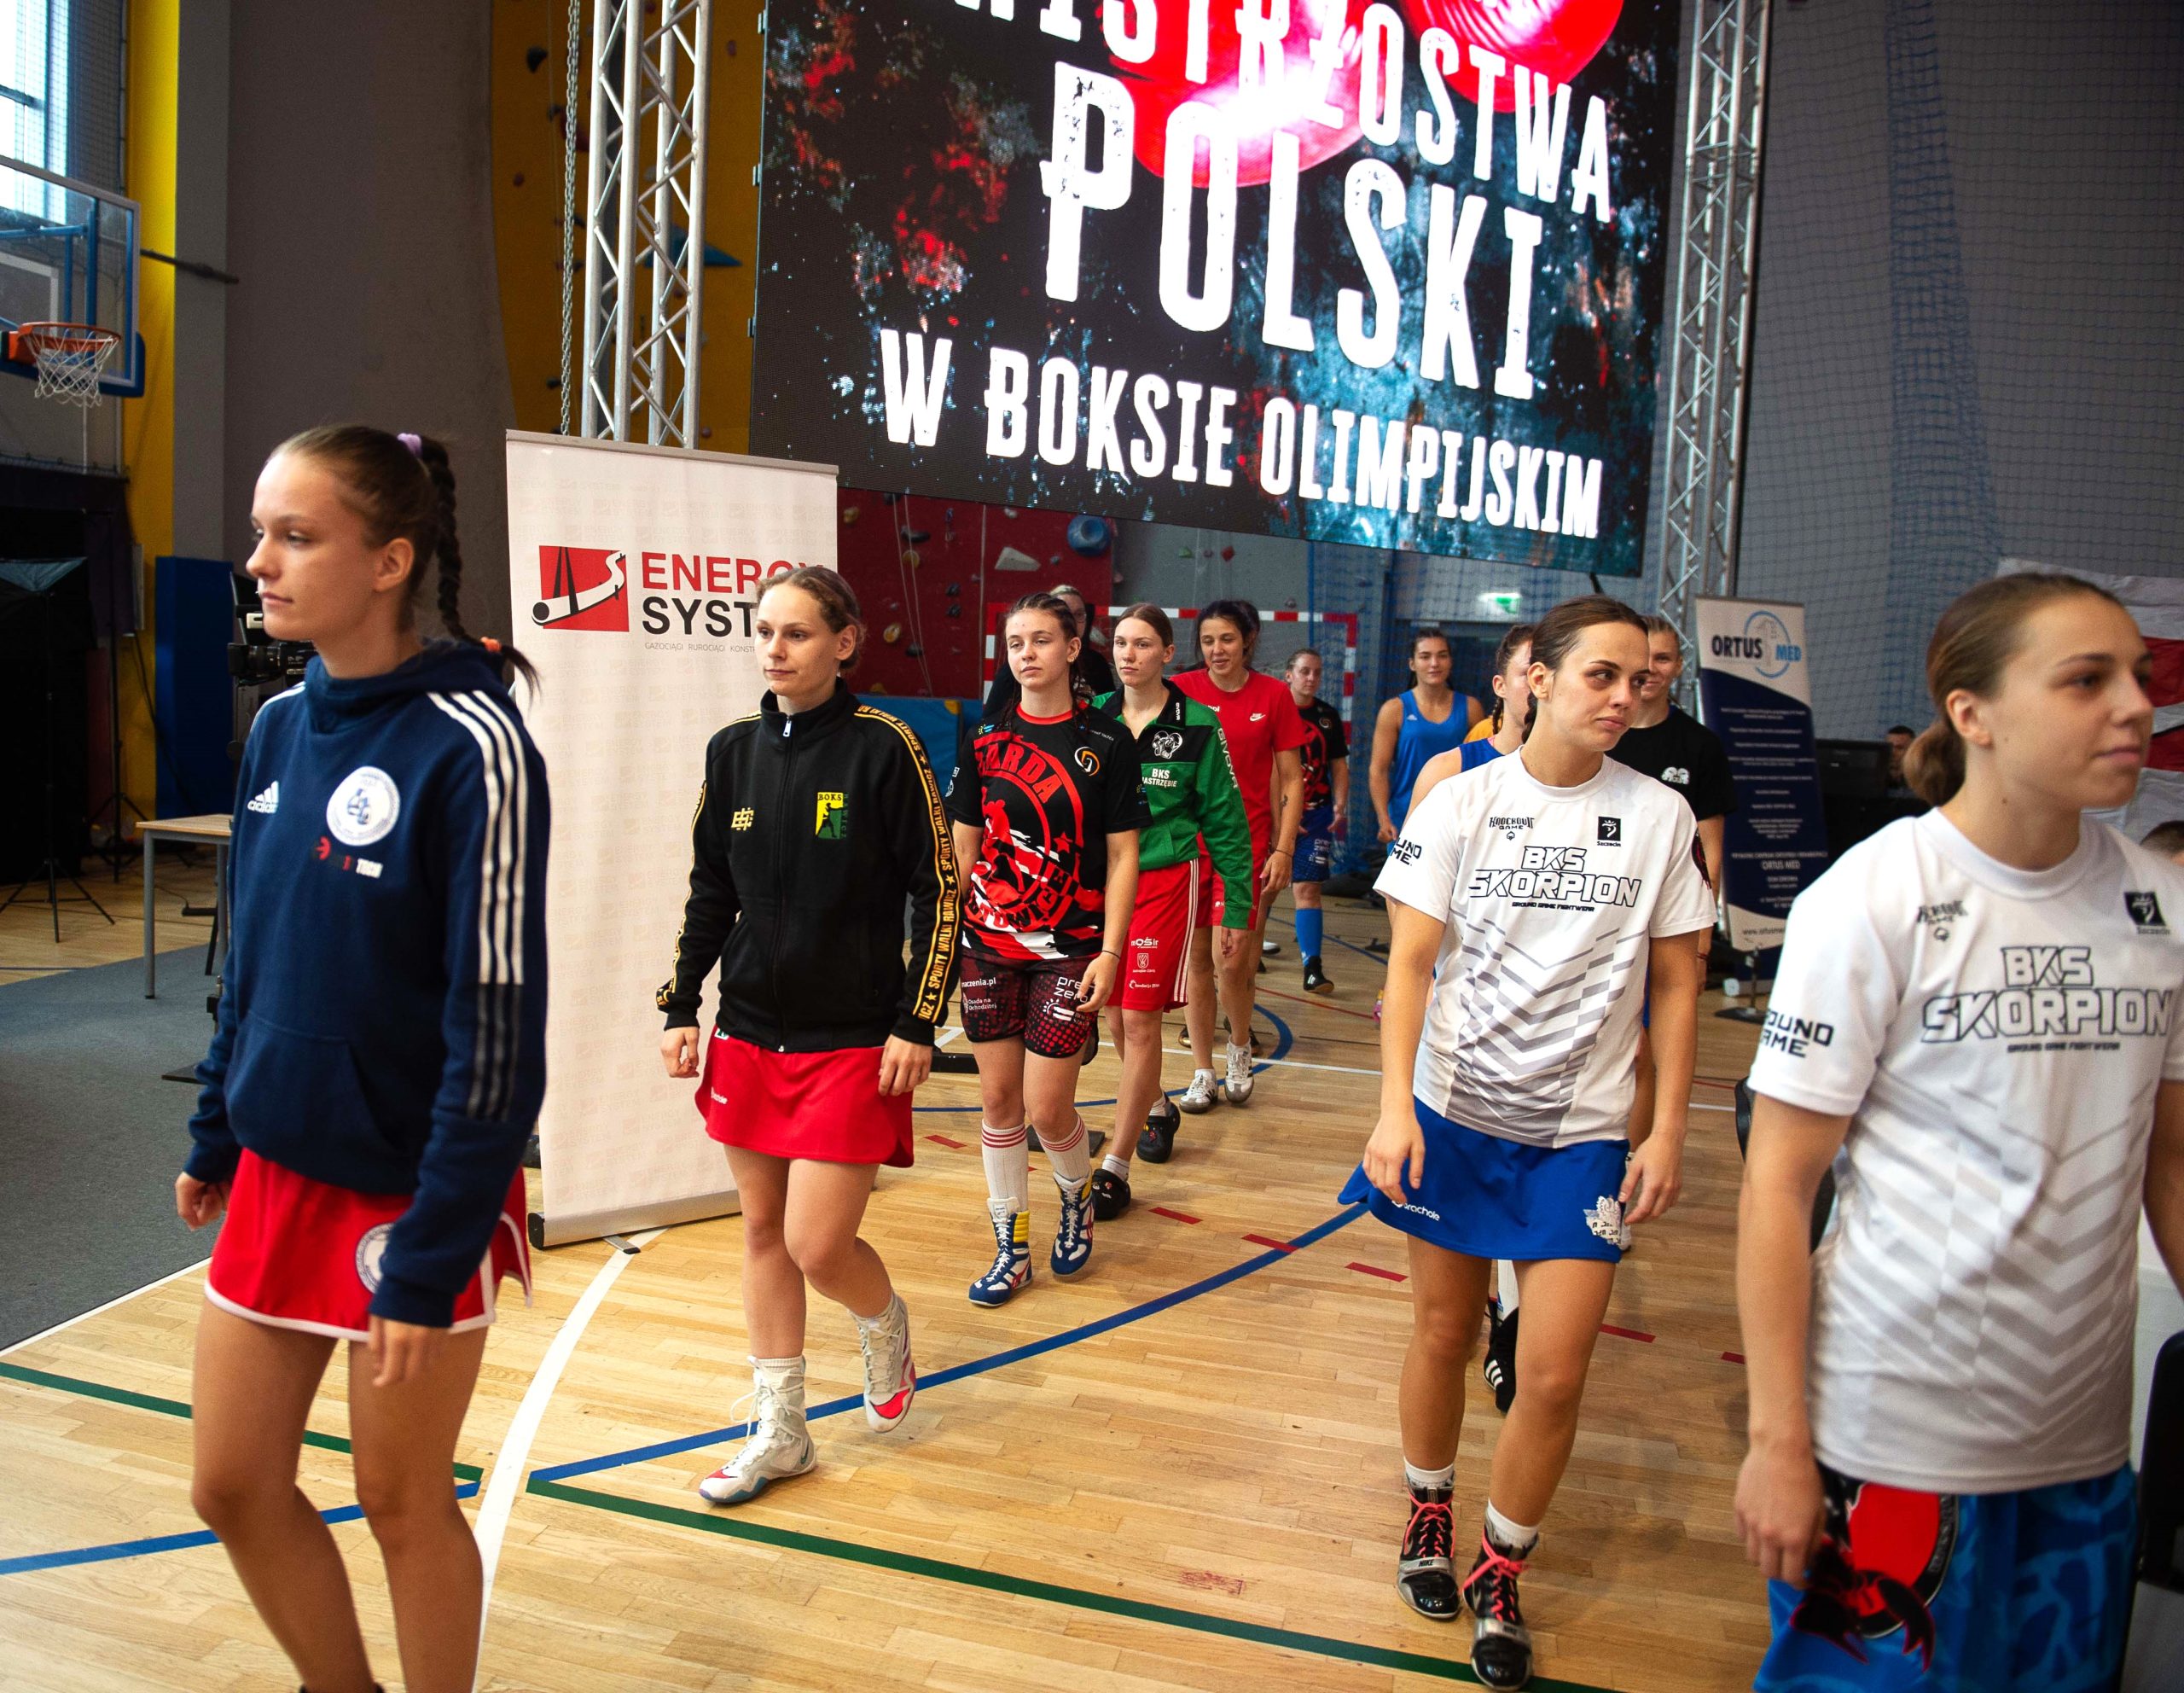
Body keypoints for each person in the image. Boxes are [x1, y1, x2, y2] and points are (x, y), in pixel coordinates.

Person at [1735, 572, 2184, 1693]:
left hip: (2082, 1449)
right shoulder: (1872, 898)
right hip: (1893, 1442)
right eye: (2086, 680)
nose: (2136, 706)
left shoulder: (2162, 907)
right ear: (1972, 713)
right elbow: (1779, 1186)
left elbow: (2171, 1163)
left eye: (2139, 677)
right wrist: (1777, 1440)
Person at [177, 426, 549, 1693]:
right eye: (261, 534)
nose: (260, 564)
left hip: (416, 1191)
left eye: (296, 537)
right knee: (230, 1482)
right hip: (281, 1163)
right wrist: (218, 1126)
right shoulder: (280, 724)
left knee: (399, 1498)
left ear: (389, 561)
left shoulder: (475, 744)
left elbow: (499, 1028)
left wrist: (437, 1247)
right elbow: (258, 953)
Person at [1344, 595, 1713, 1690]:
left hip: (1581, 1135)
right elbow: (1411, 964)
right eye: (1601, 675)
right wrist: (1394, 1108)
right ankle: (1427, 1506)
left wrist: (1667, 1127)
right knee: (1443, 1330)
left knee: (1550, 1374)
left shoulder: (1657, 815)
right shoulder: (1462, 801)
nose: (1624, 696)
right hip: (1452, 1114)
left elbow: (1679, 984)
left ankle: (1501, 1567)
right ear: (1536, 677)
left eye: (1638, 680)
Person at [657, 568, 961, 1507]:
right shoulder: (732, 752)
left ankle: (884, 1323)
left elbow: (940, 888)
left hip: (851, 1040)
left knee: (818, 1246)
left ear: (845, 642)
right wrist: (681, 1004)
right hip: (751, 1032)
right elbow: (711, 891)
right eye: (764, 632)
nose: (774, 649)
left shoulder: (886, 748)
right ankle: (781, 1430)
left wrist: (917, 1018)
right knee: (761, 1231)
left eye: (795, 633)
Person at [948, 592, 1146, 1305]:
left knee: (1047, 1108)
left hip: (1071, 949)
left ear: (1071, 649)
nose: (1026, 653)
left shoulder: (1108, 743)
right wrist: (940, 944)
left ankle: (1076, 1196)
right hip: (987, 945)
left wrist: (1112, 953)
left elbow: (1123, 857)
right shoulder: (983, 740)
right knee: (998, 1101)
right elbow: (964, 849)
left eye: (1039, 640)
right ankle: (1012, 1246)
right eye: (1015, 643)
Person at [1405, 622, 1535, 1417]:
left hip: (1543, 1043)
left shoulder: (1614, 795)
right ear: (1505, 684)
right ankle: (1485, 1313)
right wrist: (1422, 979)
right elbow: (1410, 906)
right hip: (1456, 1023)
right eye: (1528, 671)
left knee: (1524, 1179)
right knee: (1467, 1203)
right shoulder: (1453, 774)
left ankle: (1512, 1327)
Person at [1089, 606, 1254, 1214]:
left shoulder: (1199, 724)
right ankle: (1157, 1105)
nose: (1128, 655)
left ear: (1166, 653)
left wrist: (1237, 906)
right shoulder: (1092, 716)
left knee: (1139, 1020)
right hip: (1101, 883)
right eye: (1120, 643)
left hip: (1166, 880)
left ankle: (1115, 1165)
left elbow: (1227, 821)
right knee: (1112, 1017)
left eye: (1142, 644)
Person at [1172, 600, 1309, 1110]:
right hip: (1189, 848)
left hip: (1243, 849)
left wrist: (1283, 847)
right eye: (1208, 640)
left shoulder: (1273, 696)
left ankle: (1239, 1047)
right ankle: (1202, 1071)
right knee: (1196, 962)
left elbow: (1292, 779)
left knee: (1231, 963)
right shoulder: (1180, 690)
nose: (1217, 649)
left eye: (1226, 639)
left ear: (1247, 640)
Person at [1611, 615, 1735, 1172]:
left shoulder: (1699, 746)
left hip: (1661, 927)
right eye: (1642, 661)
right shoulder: (1602, 734)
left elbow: (1709, 851)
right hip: (1600, 918)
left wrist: (1702, 943)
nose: (1650, 671)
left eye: (1662, 659)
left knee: (1643, 1053)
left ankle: (1626, 1166)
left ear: (1679, 666)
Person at [1368, 628, 1480, 846]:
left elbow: (1482, 767)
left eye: (1442, 655)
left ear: (1450, 661)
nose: (1434, 663)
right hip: (1406, 819)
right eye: (1425, 656)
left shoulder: (1471, 708)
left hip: (1457, 820)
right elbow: (1378, 770)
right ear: (1412, 664)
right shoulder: (1394, 709)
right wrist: (1384, 819)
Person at [1285, 647, 1350, 995]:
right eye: (1305, 671)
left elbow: (1338, 764)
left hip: (1317, 814)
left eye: (1317, 672)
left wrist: (1340, 804)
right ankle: (1251, 951)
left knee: (1308, 889)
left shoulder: (1328, 716)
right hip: (1278, 814)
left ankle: (1312, 967)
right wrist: (1282, 812)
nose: (1311, 678)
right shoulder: (1276, 711)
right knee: (1265, 890)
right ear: (1289, 675)